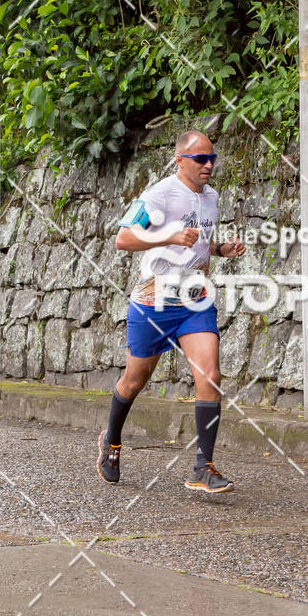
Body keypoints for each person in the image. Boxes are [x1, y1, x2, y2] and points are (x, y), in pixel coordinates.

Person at [96, 130, 246, 493]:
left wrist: (221, 250)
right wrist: (168, 237)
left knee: (210, 375)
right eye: (200, 158)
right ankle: (111, 440)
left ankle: (202, 467)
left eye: (213, 157)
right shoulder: (160, 194)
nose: (209, 164)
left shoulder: (211, 197)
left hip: (195, 299)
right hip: (154, 301)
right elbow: (124, 239)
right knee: (135, 380)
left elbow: (201, 244)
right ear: (180, 160)